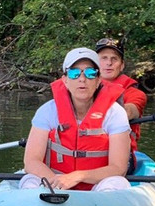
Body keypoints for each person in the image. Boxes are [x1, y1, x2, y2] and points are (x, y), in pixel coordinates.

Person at [20, 47, 132, 192]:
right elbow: (31, 161)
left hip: (98, 184)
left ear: (98, 80)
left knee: (117, 183)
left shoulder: (115, 114)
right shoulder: (47, 111)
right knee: (29, 179)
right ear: (65, 80)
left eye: (90, 73)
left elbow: (118, 168)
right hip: (54, 182)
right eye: (74, 73)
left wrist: (77, 176)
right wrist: (56, 182)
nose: (82, 79)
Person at [95, 37, 148, 156]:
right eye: (104, 58)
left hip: (119, 154)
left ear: (122, 65)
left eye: (114, 59)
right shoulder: (81, 86)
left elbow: (129, 112)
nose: (109, 63)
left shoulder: (135, 93)